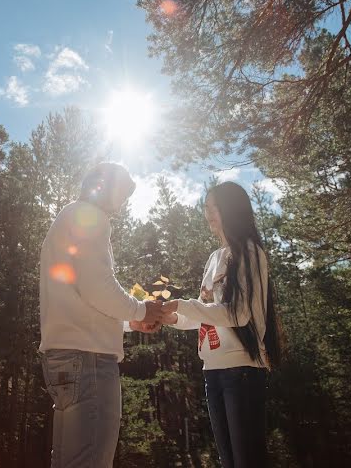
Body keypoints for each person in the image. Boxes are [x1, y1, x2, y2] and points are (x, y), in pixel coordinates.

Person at [38, 162, 168, 468]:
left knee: (68, 462)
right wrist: (141, 309)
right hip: (89, 363)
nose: (121, 204)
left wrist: (128, 322)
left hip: (65, 359)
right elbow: (98, 286)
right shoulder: (89, 217)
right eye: (121, 194)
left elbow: (80, 295)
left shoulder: (68, 218)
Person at [161, 181, 284, 468]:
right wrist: (174, 318)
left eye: (213, 207)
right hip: (212, 372)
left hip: (241, 372)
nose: (208, 214)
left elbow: (238, 315)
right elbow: (207, 313)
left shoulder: (250, 253)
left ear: (232, 209)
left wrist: (181, 305)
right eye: (205, 207)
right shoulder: (215, 257)